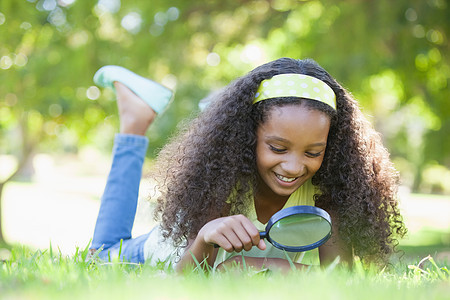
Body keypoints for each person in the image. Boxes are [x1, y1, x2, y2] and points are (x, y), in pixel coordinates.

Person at [89, 58, 406, 272]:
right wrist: (204, 238)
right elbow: (189, 279)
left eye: (313, 152)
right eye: (278, 147)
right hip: (163, 250)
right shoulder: (222, 181)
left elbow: (341, 282)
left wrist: (268, 268)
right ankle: (135, 121)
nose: (294, 166)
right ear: (248, 135)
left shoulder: (327, 192)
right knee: (102, 254)